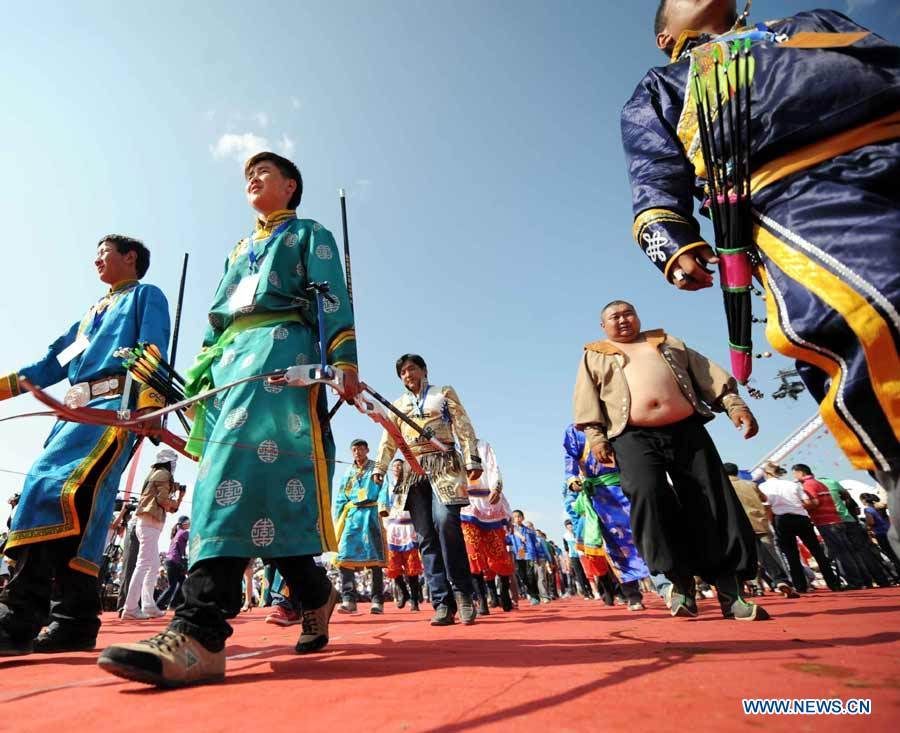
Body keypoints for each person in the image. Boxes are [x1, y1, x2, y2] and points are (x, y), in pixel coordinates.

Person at [622, 2, 900, 560]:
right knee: (878, 314)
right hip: (798, 191)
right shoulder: (664, 83)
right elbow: (653, 175)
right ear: (662, 36)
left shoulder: (813, 22)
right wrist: (671, 245)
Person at [98, 151, 359, 687]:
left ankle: (199, 631)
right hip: (229, 365)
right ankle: (313, 592)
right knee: (254, 484)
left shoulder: (310, 233)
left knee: (229, 480)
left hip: (283, 354)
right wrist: (200, 378)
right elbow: (216, 318)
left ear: (290, 186)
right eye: (247, 175)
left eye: (264, 172)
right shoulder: (239, 249)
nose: (252, 179)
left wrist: (344, 359)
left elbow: (332, 294)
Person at [0, 235, 170, 656]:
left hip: (114, 411)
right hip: (71, 417)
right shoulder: (89, 316)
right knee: (45, 495)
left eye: (104, 251)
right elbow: (48, 365)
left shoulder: (146, 295)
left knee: (77, 497)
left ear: (130, 258)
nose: (96, 259)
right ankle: (68, 618)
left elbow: (152, 348)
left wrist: (150, 403)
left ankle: (26, 615)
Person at [573, 300, 764, 621]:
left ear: (638, 316)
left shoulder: (666, 341)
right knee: (648, 497)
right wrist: (596, 438)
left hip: (686, 430)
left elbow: (706, 373)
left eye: (628, 313)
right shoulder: (595, 354)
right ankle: (680, 583)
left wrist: (733, 404)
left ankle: (731, 592)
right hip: (631, 435)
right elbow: (586, 400)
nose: (622, 320)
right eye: (613, 317)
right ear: (603, 326)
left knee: (712, 499)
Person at [373, 353, 481, 627]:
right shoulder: (396, 405)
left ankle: (463, 595)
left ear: (423, 370)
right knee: (426, 537)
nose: (408, 375)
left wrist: (472, 458)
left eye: (412, 369)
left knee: (446, 522)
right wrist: (380, 468)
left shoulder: (443, 393)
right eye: (403, 373)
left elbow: (463, 425)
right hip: (413, 471)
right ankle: (442, 602)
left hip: (444, 464)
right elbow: (389, 440)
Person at [563, 423, 650, 610]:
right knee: (616, 545)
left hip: (633, 486)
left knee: (649, 533)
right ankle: (632, 594)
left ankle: (669, 584)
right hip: (603, 496)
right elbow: (570, 457)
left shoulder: (619, 419)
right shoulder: (575, 431)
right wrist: (571, 478)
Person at [121, 450, 185, 619]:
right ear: (169, 463)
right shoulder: (164, 474)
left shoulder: (156, 474)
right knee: (143, 565)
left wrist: (176, 491)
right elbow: (164, 501)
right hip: (150, 523)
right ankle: (130, 608)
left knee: (153, 565)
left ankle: (148, 605)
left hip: (147, 523)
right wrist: (177, 500)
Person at [758, 462, 839, 593]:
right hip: (801, 518)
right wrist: (795, 507)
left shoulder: (764, 486)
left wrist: (771, 523)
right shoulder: (792, 484)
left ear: (766, 473)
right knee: (817, 551)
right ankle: (834, 583)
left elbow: (767, 507)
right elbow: (807, 502)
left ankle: (801, 586)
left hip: (781, 519)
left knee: (791, 555)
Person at [722, 463, 797, 598]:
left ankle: (756, 587)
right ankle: (781, 581)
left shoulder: (723, 487)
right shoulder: (750, 484)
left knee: (745, 558)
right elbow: (764, 499)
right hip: (759, 524)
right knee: (770, 555)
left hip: (739, 527)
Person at [333, 439, 390, 614]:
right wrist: (338, 518)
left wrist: (383, 508)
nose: (357, 452)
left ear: (367, 450)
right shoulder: (348, 472)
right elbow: (341, 496)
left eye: (361, 449)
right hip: (352, 516)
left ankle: (377, 601)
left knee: (375, 560)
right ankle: (349, 599)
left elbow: (384, 487)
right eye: (354, 449)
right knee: (344, 558)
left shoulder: (376, 468)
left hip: (371, 514)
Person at [792, 463, 870, 590]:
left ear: (800, 473)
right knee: (849, 551)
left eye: (795, 473)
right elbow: (844, 496)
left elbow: (815, 502)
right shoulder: (820, 483)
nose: (794, 476)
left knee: (841, 553)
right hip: (836, 519)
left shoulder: (808, 485)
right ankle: (865, 579)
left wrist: (798, 506)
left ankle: (855, 581)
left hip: (825, 522)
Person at [460, 439, 515, 614]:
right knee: (473, 553)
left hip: (489, 503)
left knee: (498, 553)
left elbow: (493, 467)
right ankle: (482, 598)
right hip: (465, 506)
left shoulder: (482, 446)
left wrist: (496, 488)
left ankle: (503, 592)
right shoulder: (448, 446)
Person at [818, 477, 892, 587]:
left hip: (835, 521)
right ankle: (881, 579)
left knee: (846, 553)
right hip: (851, 521)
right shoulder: (833, 482)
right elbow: (850, 501)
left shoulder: (815, 487)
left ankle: (861, 581)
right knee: (864, 552)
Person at [384, 459, 424, 613]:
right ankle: (404, 592)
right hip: (393, 528)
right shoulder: (387, 486)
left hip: (409, 528)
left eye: (400, 466)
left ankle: (414, 599)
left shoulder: (411, 485)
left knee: (412, 567)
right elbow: (383, 505)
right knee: (393, 566)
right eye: (394, 466)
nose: (397, 468)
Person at [509, 510, 546, 606]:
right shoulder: (512, 531)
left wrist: (537, 556)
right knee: (523, 576)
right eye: (515, 517)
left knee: (530, 575)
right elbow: (507, 540)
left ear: (522, 518)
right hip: (519, 554)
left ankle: (534, 596)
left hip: (529, 554)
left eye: (519, 516)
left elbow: (535, 544)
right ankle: (532, 593)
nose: (517, 519)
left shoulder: (529, 531)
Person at [861, 494, 900, 579]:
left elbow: (871, 522)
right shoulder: (880, 507)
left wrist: (867, 527)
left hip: (881, 534)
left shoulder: (868, 510)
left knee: (892, 556)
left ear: (864, 500)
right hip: (891, 531)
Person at [157, 516, 190, 611]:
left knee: (182, 582)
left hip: (171, 561)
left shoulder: (177, 533)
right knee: (173, 586)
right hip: (174, 562)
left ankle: (173, 604)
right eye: (187, 521)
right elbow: (196, 537)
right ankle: (159, 605)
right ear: (183, 523)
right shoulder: (184, 533)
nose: (189, 523)